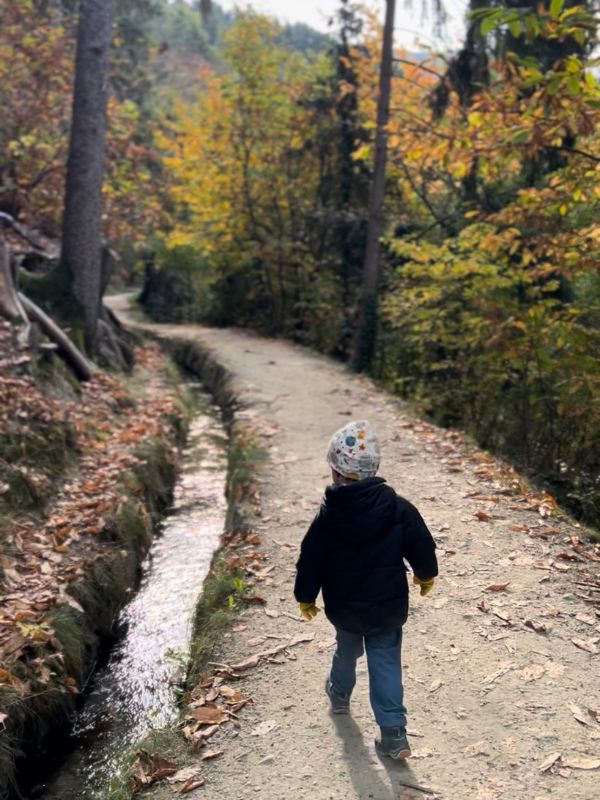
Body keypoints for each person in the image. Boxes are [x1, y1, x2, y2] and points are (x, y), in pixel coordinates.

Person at [294, 420, 438, 759]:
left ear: (335, 470)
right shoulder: (398, 507)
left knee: (346, 649)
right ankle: (394, 735)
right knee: (384, 662)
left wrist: (305, 595)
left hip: (345, 607)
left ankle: (340, 694)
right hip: (387, 607)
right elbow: (421, 543)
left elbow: (310, 557)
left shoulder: (328, 517)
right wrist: (425, 574)